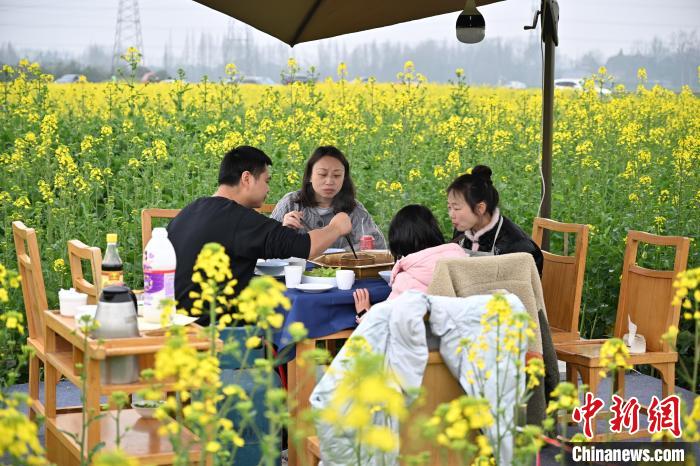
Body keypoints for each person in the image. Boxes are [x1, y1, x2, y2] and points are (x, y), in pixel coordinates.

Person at [167, 146, 352, 322]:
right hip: (216, 333)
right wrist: (336, 227)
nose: (268, 189)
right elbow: (306, 247)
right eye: (266, 181)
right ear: (246, 178)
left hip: (175, 323)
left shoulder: (190, 210)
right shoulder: (239, 218)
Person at [353, 204, 466, 322]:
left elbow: (387, 326)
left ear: (398, 240)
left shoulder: (407, 279)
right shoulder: (460, 259)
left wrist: (364, 313)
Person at [270, 145, 386, 251]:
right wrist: (283, 231)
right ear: (309, 176)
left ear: (344, 178)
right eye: (322, 174)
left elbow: (379, 247)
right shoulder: (290, 203)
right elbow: (265, 245)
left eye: (337, 175)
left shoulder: (354, 209)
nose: (329, 181)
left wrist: (340, 254)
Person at [447, 165, 543, 274]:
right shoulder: (462, 231)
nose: (451, 214)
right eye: (449, 207)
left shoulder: (518, 246)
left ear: (480, 208)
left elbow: (523, 287)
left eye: (456, 208)